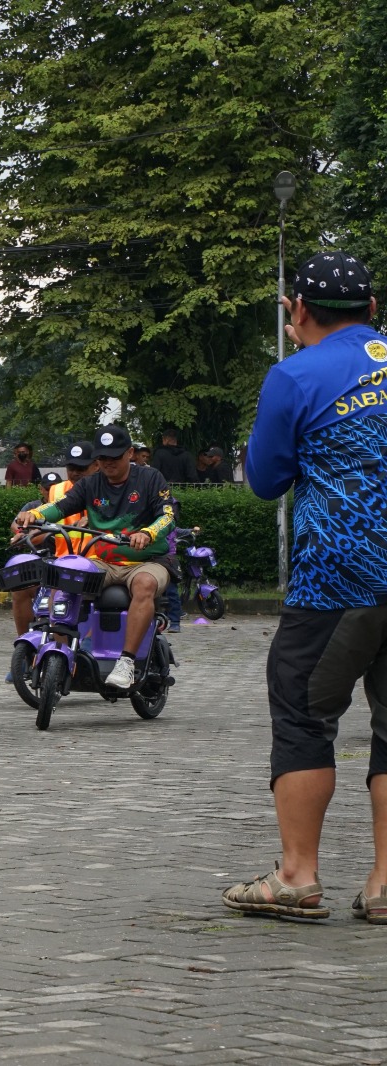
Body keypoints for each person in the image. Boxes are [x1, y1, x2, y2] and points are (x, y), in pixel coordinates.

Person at [224, 249, 387, 924]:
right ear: (374, 311)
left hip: (339, 578)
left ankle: (296, 874)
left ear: (298, 311)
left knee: (302, 711)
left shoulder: (294, 375)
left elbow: (264, 481)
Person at [14, 424, 174, 692]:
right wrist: (36, 516)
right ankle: (60, 653)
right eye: (102, 458)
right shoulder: (90, 484)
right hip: (102, 561)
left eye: (115, 457)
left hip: (146, 561)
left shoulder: (151, 478)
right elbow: (60, 507)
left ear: (130, 453)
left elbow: (168, 515)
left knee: (144, 584)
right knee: (65, 576)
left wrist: (147, 532)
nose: (108, 463)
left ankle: (127, 662)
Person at [7, 444, 96, 650]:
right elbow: (43, 517)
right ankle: (27, 647)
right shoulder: (57, 490)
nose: (76, 473)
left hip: (96, 560)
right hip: (60, 560)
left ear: (95, 466)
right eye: (72, 467)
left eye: (82, 468)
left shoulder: (104, 488)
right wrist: (28, 525)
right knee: (20, 586)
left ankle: (82, 645)